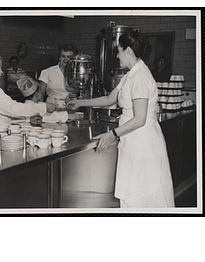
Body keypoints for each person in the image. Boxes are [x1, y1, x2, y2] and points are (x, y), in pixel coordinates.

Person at [67, 29, 175, 208]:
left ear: (129, 51)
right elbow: (110, 99)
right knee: (133, 193)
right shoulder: (130, 75)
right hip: (133, 140)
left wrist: (112, 135)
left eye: (119, 50)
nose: (117, 56)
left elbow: (139, 119)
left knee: (142, 195)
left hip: (143, 144)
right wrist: (80, 102)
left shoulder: (139, 77)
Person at [0, 40, 54, 126]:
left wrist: (28, 120)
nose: (1, 72)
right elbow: (13, 108)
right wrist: (43, 107)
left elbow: (4, 115)